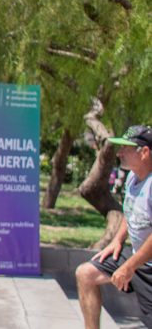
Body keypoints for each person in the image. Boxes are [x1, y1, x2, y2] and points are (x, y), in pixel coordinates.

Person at [75, 125, 152, 329]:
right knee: (86, 274)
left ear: (144, 152)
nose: (119, 153)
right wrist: (118, 239)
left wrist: (129, 266)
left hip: (146, 263)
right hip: (138, 257)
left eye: (126, 149)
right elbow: (132, 211)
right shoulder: (133, 177)